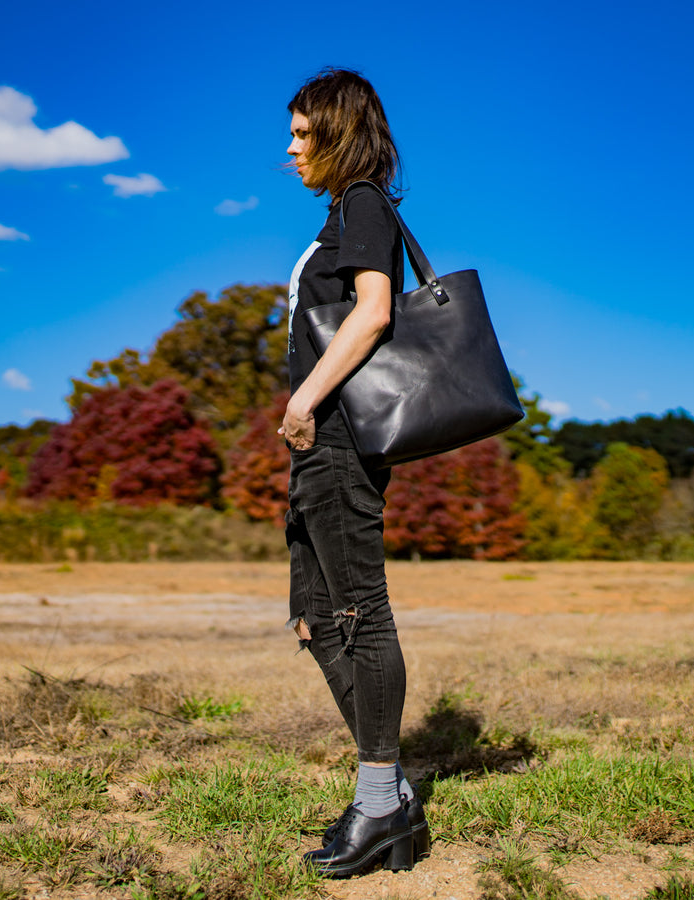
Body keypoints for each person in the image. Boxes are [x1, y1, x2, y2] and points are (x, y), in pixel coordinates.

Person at [278, 68, 428, 878]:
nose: (291, 148)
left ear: (339, 133)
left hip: (337, 441)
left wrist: (303, 399)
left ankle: (379, 800)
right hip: (316, 448)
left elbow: (374, 311)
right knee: (311, 619)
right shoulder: (341, 212)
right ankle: (390, 793)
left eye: (304, 134)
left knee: (358, 615)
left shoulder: (364, 200)